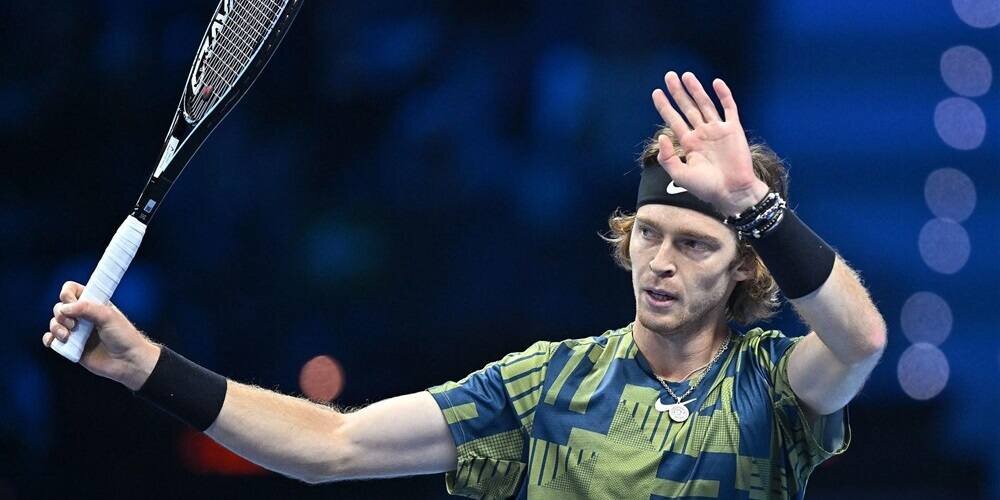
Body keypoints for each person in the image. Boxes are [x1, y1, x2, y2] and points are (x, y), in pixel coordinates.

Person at [44, 71, 886, 499]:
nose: (660, 262)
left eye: (696, 244)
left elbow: (860, 340)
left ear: (745, 265)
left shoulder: (770, 385)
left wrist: (753, 205)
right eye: (649, 234)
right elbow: (333, 447)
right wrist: (146, 365)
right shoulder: (549, 382)